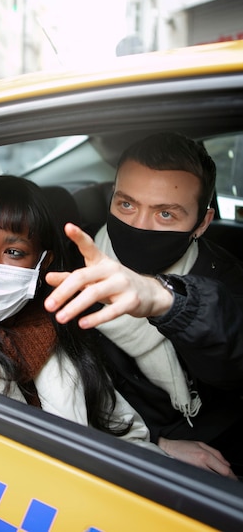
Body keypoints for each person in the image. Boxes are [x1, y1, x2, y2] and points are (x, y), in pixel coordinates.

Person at [0, 175, 163, 451]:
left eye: (13, 251)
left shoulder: (56, 326)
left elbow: (115, 423)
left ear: (44, 263)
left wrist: (159, 449)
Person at [44, 132, 243, 480]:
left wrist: (167, 303)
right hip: (123, 445)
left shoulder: (225, 276)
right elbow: (65, 380)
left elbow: (234, 364)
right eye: (126, 205)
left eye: (165, 214)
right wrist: (154, 441)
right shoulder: (71, 264)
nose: (138, 225)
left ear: (202, 223)